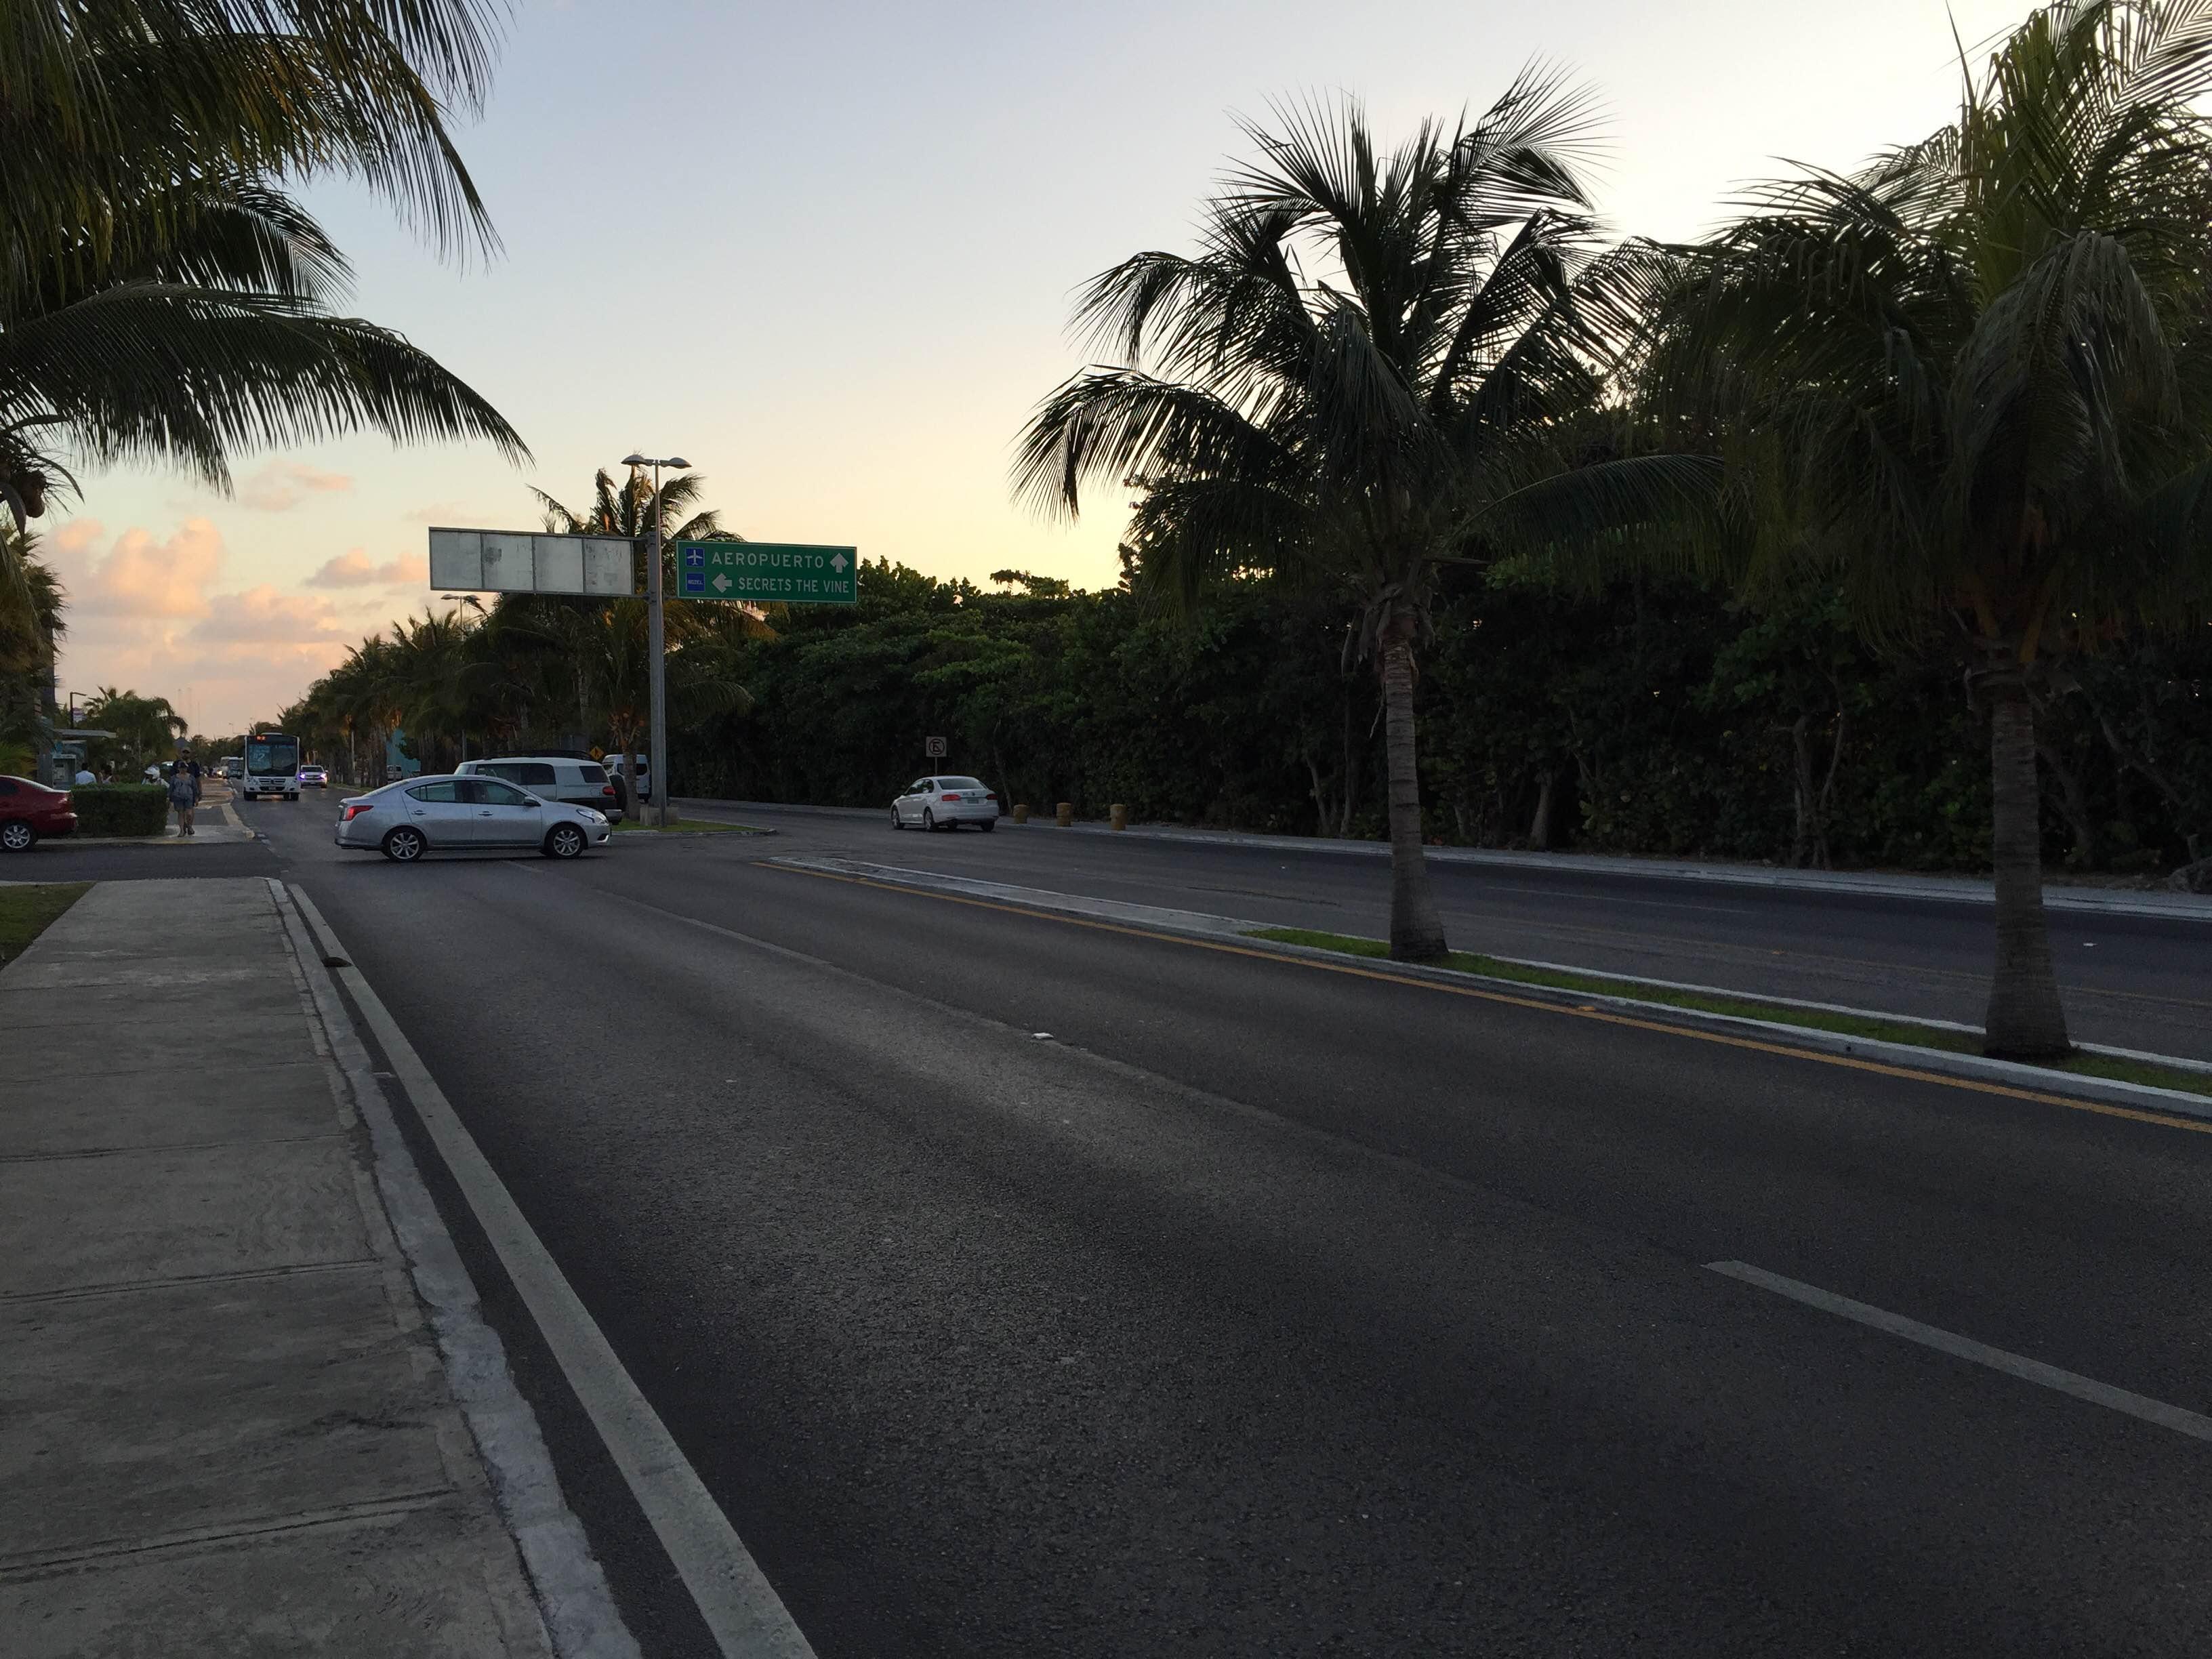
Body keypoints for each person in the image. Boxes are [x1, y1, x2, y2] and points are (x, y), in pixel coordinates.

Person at [166, 764, 198, 836]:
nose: (183, 769)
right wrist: (168, 797)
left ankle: (189, 826)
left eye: (184, 768)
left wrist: (196, 798)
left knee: (189, 814)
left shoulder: (191, 777)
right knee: (181, 813)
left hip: (189, 797)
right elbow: (171, 788)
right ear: (178, 769)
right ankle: (182, 830)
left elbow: (195, 788)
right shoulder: (174, 778)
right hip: (178, 797)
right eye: (181, 768)